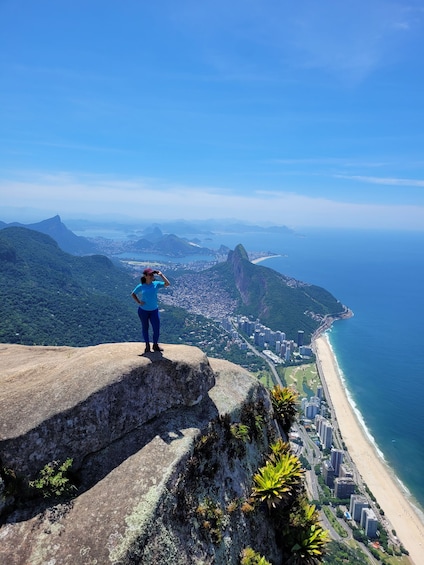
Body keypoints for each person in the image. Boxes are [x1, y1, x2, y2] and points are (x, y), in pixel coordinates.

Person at [131, 267, 170, 353]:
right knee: (145, 328)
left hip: (154, 310)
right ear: (145, 276)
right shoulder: (141, 286)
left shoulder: (156, 284)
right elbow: (133, 294)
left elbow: (167, 284)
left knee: (156, 328)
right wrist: (138, 302)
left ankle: (155, 345)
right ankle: (147, 346)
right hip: (143, 310)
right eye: (150, 274)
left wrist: (161, 275)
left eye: (152, 274)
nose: (152, 276)